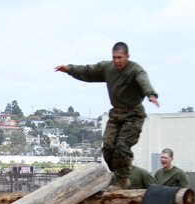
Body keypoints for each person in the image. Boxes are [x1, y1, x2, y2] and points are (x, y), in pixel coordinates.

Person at [54, 42, 159, 189]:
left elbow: (143, 81)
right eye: (114, 57)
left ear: (127, 57)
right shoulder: (108, 68)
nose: (117, 61)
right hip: (116, 113)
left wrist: (150, 94)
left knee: (122, 146)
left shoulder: (135, 70)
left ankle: (122, 180)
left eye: (120, 58)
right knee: (108, 147)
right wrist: (70, 69)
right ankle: (118, 175)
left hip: (133, 114)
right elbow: (89, 71)